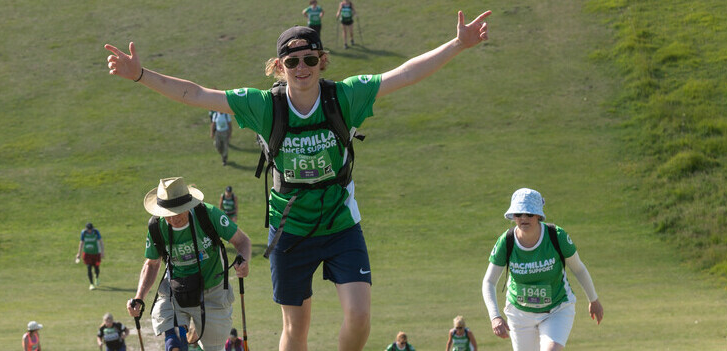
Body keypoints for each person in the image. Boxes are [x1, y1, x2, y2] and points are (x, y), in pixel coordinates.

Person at [105, 9, 490, 351]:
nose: (301, 67)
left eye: (310, 59)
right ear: (279, 66)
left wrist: (458, 44)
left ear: (322, 61)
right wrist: (140, 74)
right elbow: (197, 93)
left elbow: (403, 74)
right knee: (296, 327)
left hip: (341, 223)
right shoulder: (264, 106)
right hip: (289, 230)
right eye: (292, 61)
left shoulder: (344, 97)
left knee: (359, 317)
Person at [126, 177, 253, 351]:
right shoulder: (157, 226)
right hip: (176, 289)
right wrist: (139, 297)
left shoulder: (209, 215)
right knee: (174, 343)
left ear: (188, 205)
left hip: (212, 292)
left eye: (177, 212)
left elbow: (242, 241)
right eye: (167, 213)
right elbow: (152, 264)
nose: (172, 218)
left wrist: (243, 260)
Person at [481, 188, 604, 351]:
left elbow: (579, 269)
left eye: (529, 213)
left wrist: (593, 300)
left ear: (538, 215)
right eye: (518, 214)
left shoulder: (556, 236)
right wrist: (495, 316)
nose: (523, 218)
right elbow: (489, 281)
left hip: (556, 309)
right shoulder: (506, 241)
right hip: (519, 315)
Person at [76, 222, 104, 290]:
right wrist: (79, 253)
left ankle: (97, 277)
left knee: (96, 268)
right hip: (87, 253)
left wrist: (102, 252)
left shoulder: (96, 232)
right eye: (88, 229)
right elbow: (81, 243)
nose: (90, 231)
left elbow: (101, 241)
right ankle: (91, 284)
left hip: (96, 253)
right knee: (89, 268)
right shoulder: (83, 233)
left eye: (91, 229)